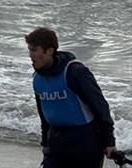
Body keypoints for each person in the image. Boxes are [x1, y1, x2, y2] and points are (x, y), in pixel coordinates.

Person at [25, 27, 116, 168]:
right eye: (29, 50)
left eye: (34, 50)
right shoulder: (37, 79)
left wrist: (109, 141)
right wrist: (46, 144)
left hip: (85, 141)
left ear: (49, 51)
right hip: (57, 140)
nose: (31, 55)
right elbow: (44, 116)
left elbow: (100, 106)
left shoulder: (75, 71)